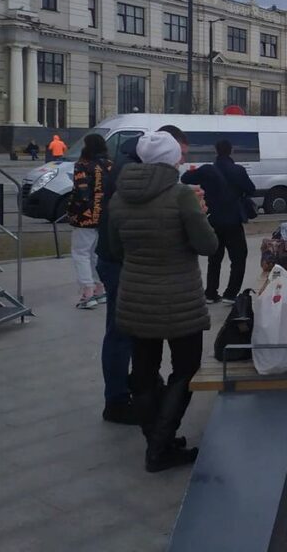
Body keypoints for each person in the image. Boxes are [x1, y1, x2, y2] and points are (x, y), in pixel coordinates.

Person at [108, 131, 218, 473]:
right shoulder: (181, 194)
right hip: (179, 299)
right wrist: (200, 214)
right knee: (185, 370)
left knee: (143, 370)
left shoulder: (119, 197)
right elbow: (208, 246)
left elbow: (114, 251)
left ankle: (158, 438)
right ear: (173, 160)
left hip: (136, 297)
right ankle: (160, 446)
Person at [95, 124, 191, 426]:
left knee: (132, 331)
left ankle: (139, 387)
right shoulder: (132, 171)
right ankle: (117, 400)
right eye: (178, 156)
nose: (179, 163)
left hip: (120, 258)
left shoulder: (130, 163)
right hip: (120, 261)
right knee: (122, 332)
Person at [181, 139, 256, 304]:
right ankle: (230, 293)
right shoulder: (238, 170)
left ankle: (211, 293)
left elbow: (185, 178)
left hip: (213, 219)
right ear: (232, 151)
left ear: (216, 151)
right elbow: (251, 189)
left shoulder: (208, 170)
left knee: (214, 258)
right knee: (238, 258)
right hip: (233, 221)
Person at [67, 133, 111, 309]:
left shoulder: (83, 165)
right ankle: (100, 289)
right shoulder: (109, 165)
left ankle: (87, 292)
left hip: (85, 216)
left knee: (81, 253)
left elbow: (81, 191)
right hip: (105, 214)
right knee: (95, 253)